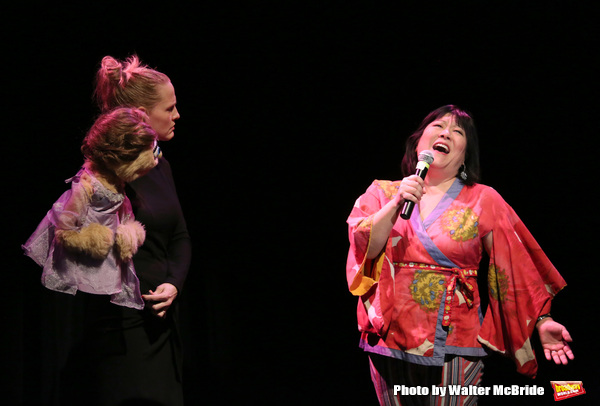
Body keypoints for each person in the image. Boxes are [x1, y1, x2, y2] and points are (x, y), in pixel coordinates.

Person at [345, 105, 574, 405]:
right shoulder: (381, 192)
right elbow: (364, 250)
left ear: (465, 155)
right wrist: (397, 201)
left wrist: (542, 319)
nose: (445, 133)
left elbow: (516, 265)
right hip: (389, 336)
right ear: (418, 142)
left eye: (457, 132)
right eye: (438, 126)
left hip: (454, 338)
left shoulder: (484, 199)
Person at [60, 55, 192, 405]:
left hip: (163, 327)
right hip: (120, 331)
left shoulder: (161, 167)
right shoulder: (103, 177)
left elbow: (179, 237)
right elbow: (76, 247)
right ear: (143, 115)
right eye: (170, 108)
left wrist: (174, 284)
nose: (177, 115)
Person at [23, 108, 159, 311]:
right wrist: (92, 239)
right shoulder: (88, 184)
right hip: (86, 257)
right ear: (117, 156)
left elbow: (124, 212)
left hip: (110, 257)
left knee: (103, 305)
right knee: (86, 305)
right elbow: (66, 228)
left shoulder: (118, 182)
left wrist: (129, 233)